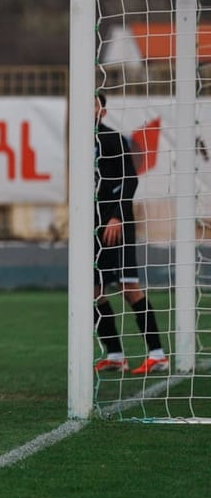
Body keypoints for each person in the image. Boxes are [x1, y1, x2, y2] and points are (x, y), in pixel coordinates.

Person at [93, 91, 169, 375]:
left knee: (128, 287)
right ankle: (115, 355)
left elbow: (130, 180)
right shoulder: (80, 141)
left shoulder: (112, 138)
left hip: (116, 223)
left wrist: (117, 216)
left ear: (102, 111)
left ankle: (158, 354)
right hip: (93, 225)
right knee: (93, 291)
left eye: (94, 105)